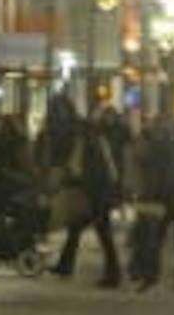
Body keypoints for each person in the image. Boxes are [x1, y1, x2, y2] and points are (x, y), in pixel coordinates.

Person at [50, 99, 126, 286]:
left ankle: (113, 273)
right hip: (101, 189)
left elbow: (77, 167)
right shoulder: (98, 137)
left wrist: (69, 179)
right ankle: (65, 264)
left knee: (102, 231)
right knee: (77, 227)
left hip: (96, 191)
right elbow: (109, 165)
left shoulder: (85, 139)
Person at [133, 117, 174, 292]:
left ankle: (152, 276)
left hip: (167, 197)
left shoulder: (159, 150)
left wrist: (150, 196)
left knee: (157, 239)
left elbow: (152, 172)